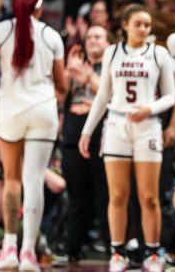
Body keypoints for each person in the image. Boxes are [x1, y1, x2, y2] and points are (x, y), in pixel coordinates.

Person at [0, 0, 67, 272]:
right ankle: (29, 252)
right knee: (35, 179)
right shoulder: (51, 35)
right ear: (39, 9)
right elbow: (63, 86)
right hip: (43, 110)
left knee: (12, 180)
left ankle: (10, 248)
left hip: (11, 109)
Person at [78, 3, 175, 272]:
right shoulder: (112, 52)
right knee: (118, 195)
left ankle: (153, 254)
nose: (144, 28)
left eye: (147, 24)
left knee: (149, 197)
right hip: (117, 125)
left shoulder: (159, 53)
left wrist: (149, 108)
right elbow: (102, 96)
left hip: (147, 126)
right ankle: (117, 252)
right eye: (138, 24)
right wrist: (87, 131)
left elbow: (170, 96)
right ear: (125, 25)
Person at [60, 26, 111, 262]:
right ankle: (72, 251)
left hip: (103, 139)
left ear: (108, 42)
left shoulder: (111, 65)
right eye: (89, 36)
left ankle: (114, 250)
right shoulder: (75, 66)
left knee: (105, 198)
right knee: (77, 199)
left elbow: (111, 94)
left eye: (98, 37)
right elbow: (60, 97)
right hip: (72, 137)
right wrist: (68, 76)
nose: (92, 40)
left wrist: (87, 77)